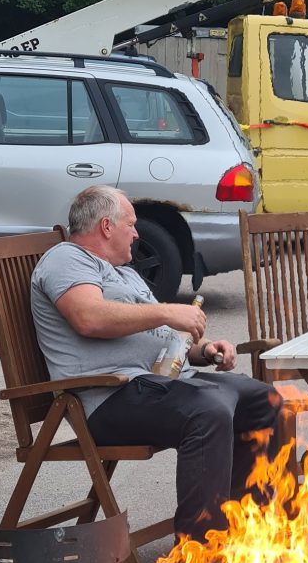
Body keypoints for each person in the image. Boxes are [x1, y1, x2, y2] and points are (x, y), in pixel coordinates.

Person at [30, 185, 282, 543]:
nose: (136, 232)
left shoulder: (126, 273)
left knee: (265, 400)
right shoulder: (67, 260)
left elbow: (163, 338)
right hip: (110, 396)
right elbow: (89, 318)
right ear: (106, 226)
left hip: (157, 384)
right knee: (208, 411)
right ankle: (201, 549)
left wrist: (204, 350)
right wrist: (166, 310)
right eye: (130, 224)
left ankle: (250, 533)